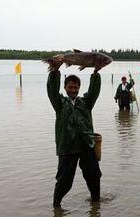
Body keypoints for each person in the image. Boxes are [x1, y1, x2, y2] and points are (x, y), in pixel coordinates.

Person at [47, 64, 102, 208]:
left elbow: (94, 91)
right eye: (70, 87)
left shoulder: (86, 103)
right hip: (67, 147)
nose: (73, 90)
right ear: (65, 88)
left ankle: (96, 203)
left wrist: (95, 73)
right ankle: (56, 206)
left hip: (86, 146)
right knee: (64, 181)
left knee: (94, 176)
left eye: (76, 87)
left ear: (79, 88)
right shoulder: (59, 103)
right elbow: (52, 91)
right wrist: (55, 72)